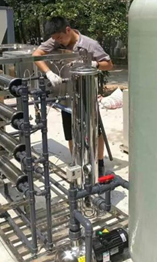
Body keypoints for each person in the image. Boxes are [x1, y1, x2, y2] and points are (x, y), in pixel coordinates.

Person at [32, 16, 113, 176]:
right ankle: (76, 162)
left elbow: (109, 65)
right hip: (66, 95)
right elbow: (36, 55)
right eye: (55, 38)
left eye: (59, 37)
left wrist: (95, 64)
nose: (58, 41)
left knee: (94, 129)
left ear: (68, 30)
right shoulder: (54, 41)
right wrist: (48, 73)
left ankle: (99, 163)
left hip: (86, 93)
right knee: (70, 131)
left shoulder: (89, 44)